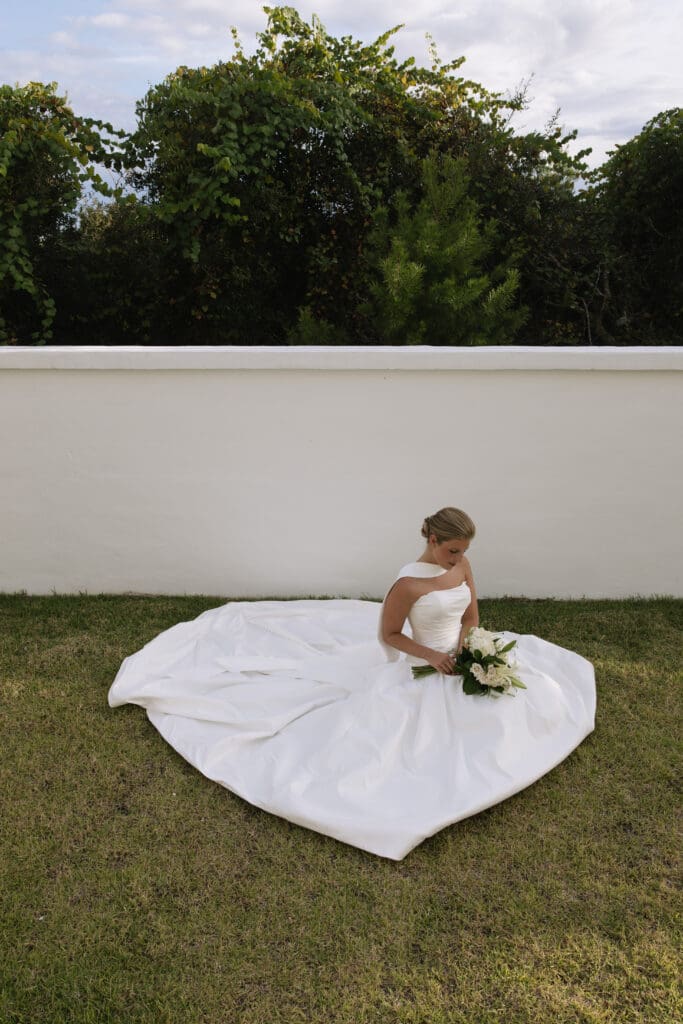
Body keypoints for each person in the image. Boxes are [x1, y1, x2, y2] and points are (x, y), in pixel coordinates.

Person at [108, 507, 596, 860]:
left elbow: (471, 613)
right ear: (432, 541)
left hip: (459, 654)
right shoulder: (407, 585)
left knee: (519, 707)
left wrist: (470, 646)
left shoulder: (462, 565)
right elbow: (387, 635)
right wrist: (432, 655)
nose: (458, 559)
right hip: (421, 661)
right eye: (451, 550)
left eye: (464, 552)